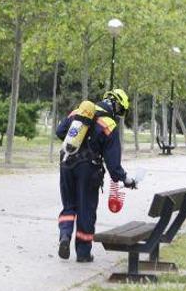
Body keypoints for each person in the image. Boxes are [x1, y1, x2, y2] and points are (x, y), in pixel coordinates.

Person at [55, 89, 136, 262]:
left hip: (66, 163)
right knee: (86, 210)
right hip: (89, 170)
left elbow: (60, 131)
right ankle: (83, 254)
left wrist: (78, 142)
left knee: (69, 206)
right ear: (115, 104)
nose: (119, 116)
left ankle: (65, 235)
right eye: (120, 111)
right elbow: (113, 165)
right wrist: (125, 179)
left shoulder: (78, 112)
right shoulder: (109, 125)